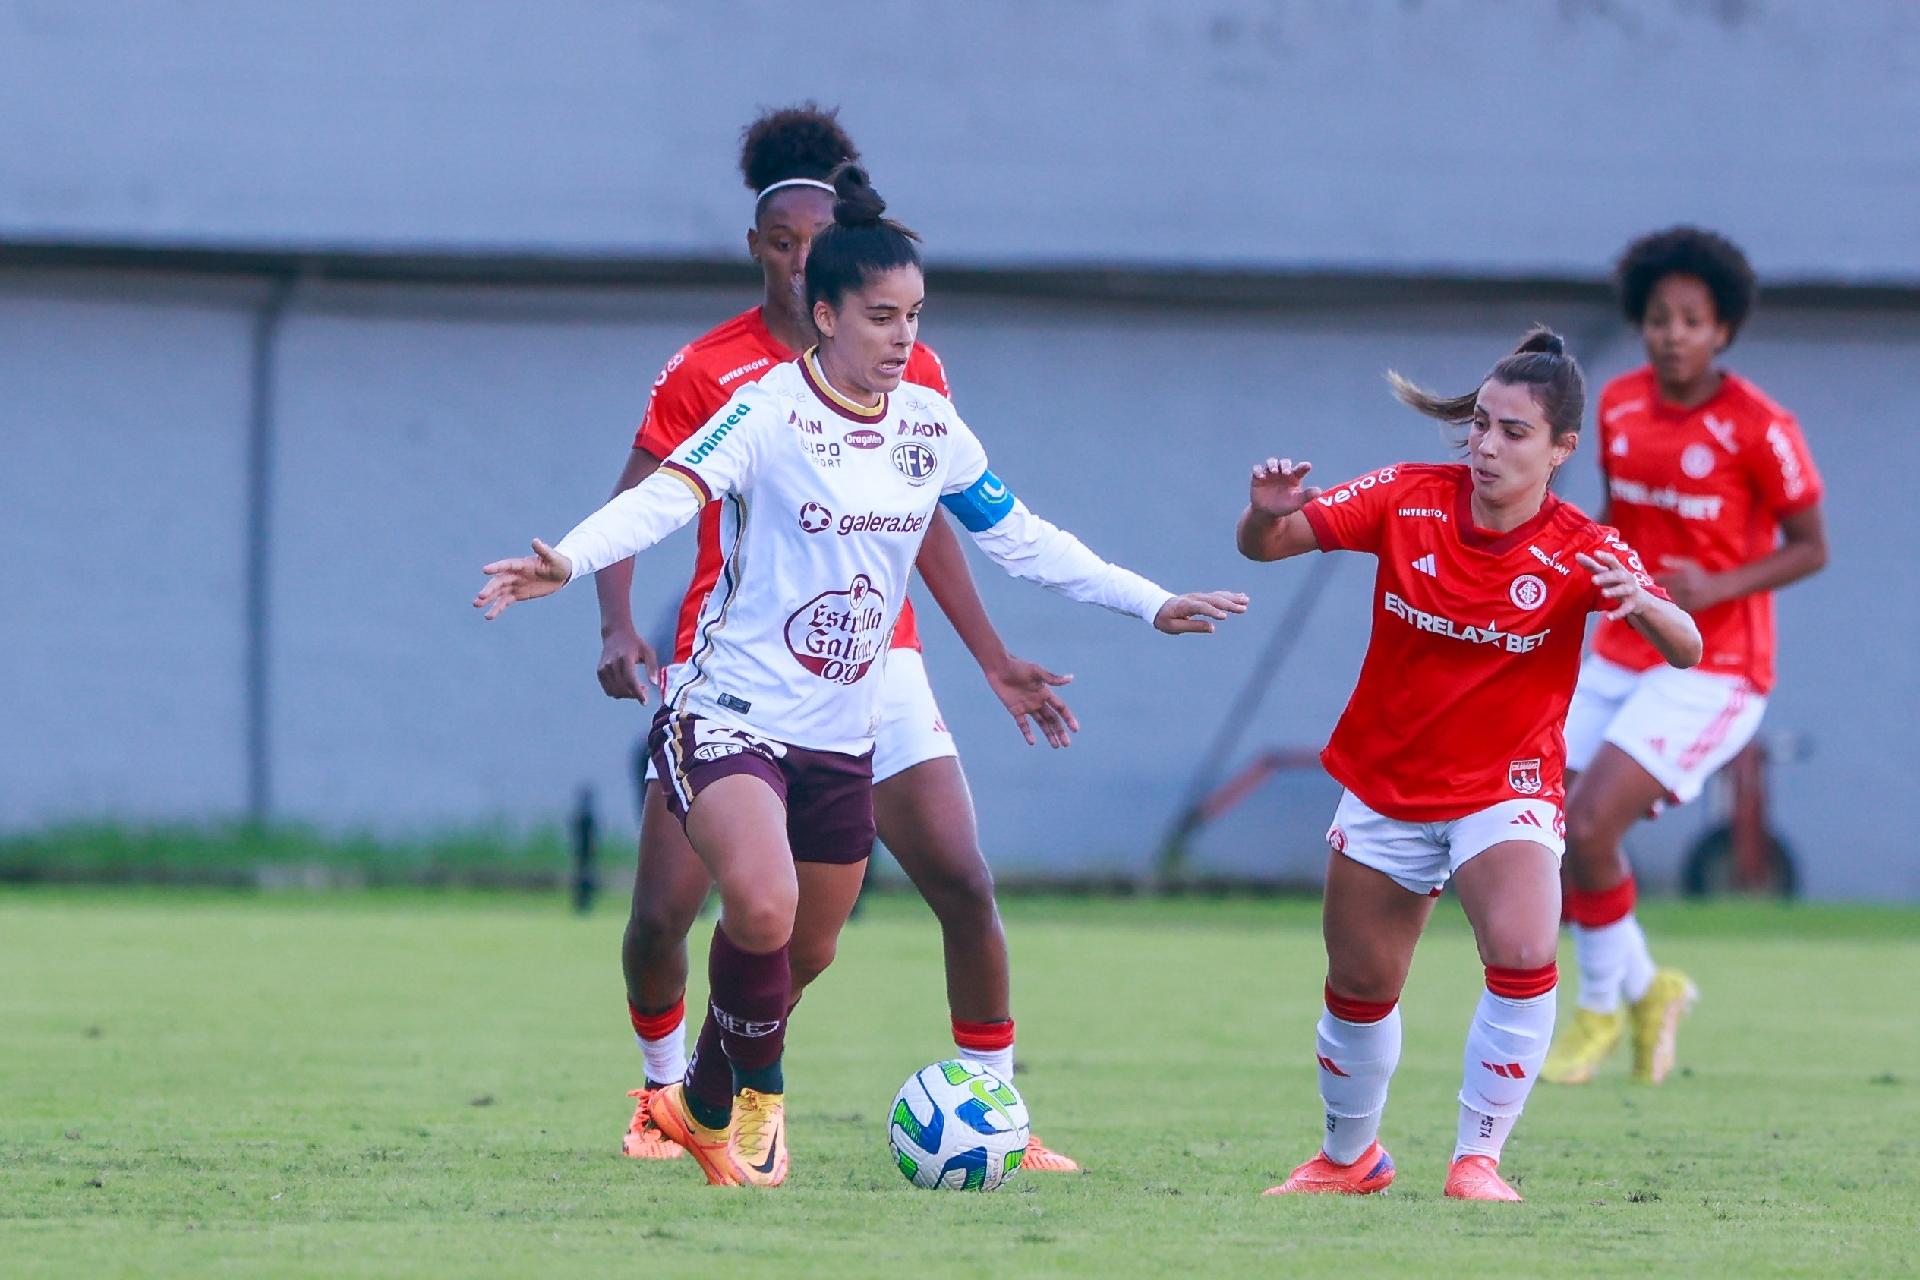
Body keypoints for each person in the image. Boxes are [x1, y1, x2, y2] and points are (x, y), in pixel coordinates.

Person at [476, 163, 1246, 1187]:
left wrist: (1148, 599)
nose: (903, 339)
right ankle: (758, 1103)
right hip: (732, 713)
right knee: (761, 904)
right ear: (826, 315)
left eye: (915, 317)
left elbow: (1020, 537)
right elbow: (662, 497)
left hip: (846, 729)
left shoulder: (929, 424)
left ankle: (699, 1097)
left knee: (812, 947)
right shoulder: (761, 410)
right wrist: (566, 563)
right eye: (882, 317)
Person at [597, 105, 1085, 1173]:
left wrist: (993, 654)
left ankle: (994, 1108)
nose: (801, 259)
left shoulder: (912, 366)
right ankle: (661, 1086)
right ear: (764, 252)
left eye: (819, 240)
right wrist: (614, 618)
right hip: (734, 668)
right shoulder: (714, 372)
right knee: (661, 914)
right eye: (784, 243)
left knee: (955, 875)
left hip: (879, 662)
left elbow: (932, 522)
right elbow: (646, 492)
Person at [1234, 329, 1701, 1201]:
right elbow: (1267, 546)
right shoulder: (1407, 497)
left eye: (1513, 432)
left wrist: (1640, 603)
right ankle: (1349, 1160)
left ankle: (1476, 1159)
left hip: (1507, 787)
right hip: (1389, 781)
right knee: (1360, 985)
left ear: (1562, 450)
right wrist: (1267, 510)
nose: (1486, 445)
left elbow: (1688, 645)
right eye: (1480, 424)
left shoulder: (1582, 547)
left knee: (1524, 951)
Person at [1544, 228, 1828, 1086]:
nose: (1672, 333)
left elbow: (1811, 545)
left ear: (1723, 331)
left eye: (1692, 320)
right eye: (1659, 318)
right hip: (1623, 650)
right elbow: (1614, 518)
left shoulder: (1760, 427)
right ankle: (1648, 986)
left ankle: (1598, 1010)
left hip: (1716, 667)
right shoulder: (1621, 405)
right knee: (1541, 810)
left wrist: (1720, 585)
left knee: (1592, 823)